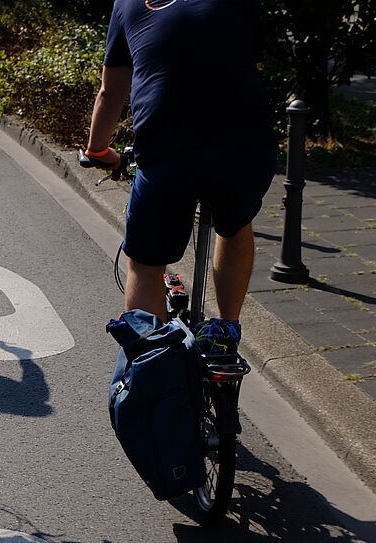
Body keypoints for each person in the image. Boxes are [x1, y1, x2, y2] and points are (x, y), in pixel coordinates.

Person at [83, 0, 277, 356]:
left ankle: (155, 363)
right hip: (247, 148)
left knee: (145, 261)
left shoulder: (127, 4)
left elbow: (112, 92)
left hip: (168, 151)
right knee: (234, 225)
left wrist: (97, 151)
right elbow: (248, 63)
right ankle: (225, 328)